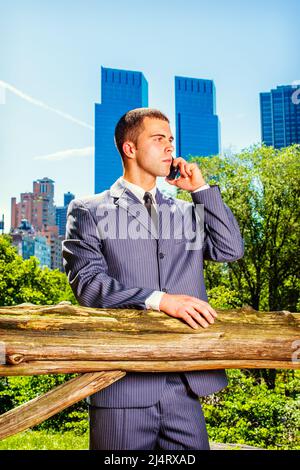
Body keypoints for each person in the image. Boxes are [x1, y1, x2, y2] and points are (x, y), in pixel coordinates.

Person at [62, 108, 244, 450]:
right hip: (122, 384)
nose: (169, 148)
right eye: (158, 139)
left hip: (185, 382)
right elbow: (88, 285)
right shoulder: (89, 209)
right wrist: (160, 300)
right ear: (129, 149)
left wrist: (200, 189)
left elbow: (229, 249)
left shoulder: (186, 211)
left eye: (171, 139)